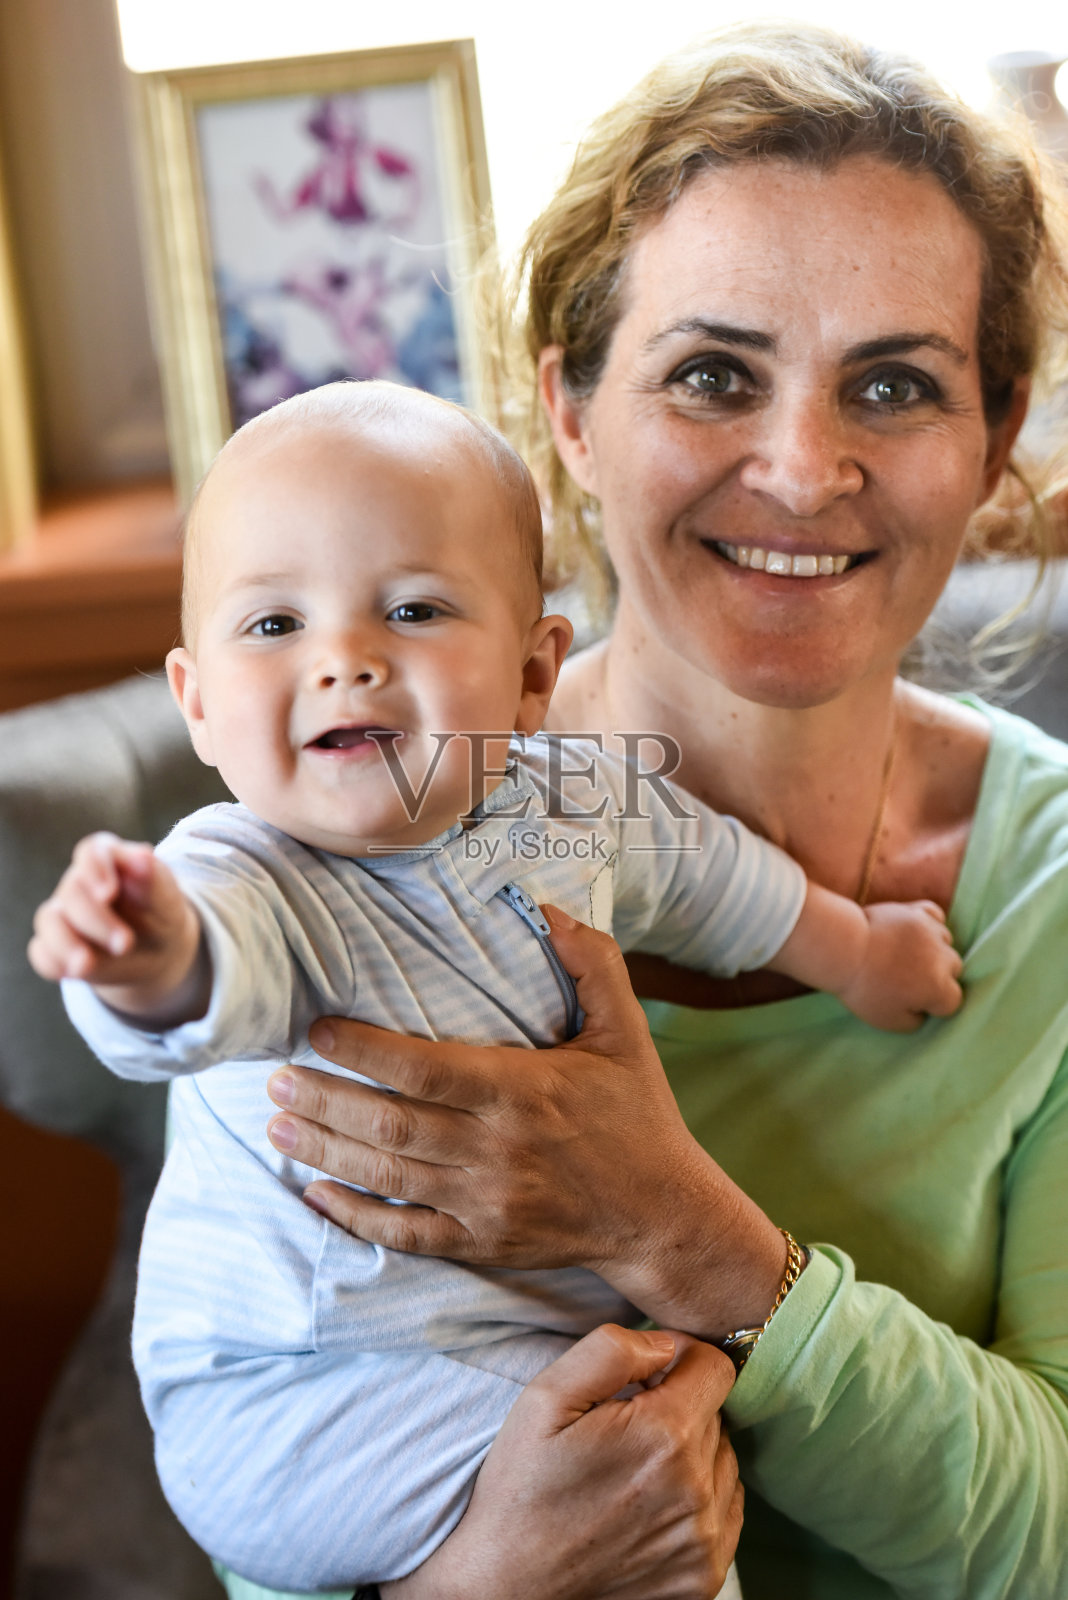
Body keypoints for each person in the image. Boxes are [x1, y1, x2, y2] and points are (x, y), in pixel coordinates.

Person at [237, 22, 1068, 1600]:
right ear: (568, 408)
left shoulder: (1053, 887)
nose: (804, 469)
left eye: (894, 385)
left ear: (995, 437)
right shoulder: (362, 841)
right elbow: (263, 1407)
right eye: (711, 374)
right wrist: (479, 1586)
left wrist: (688, 1237)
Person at [30, 379, 960, 1596]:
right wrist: (145, 955)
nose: (344, 661)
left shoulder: (571, 801)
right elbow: (207, 980)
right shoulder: (242, 870)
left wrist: (853, 948)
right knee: (633, 1469)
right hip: (295, 1384)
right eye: (273, 627)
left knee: (650, 1456)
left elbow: (710, 875)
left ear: (533, 675)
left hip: (497, 1343)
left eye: (411, 609)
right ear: (197, 701)